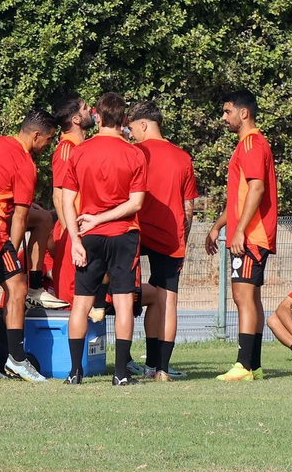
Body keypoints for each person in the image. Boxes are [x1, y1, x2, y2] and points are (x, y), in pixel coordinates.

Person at [0, 109, 58, 381]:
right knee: (17, 288)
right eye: (49, 140)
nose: (47, 146)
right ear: (37, 135)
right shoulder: (25, 162)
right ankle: (17, 359)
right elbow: (18, 215)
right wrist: (11, 248)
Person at [61, 93, 147, 385]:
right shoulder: (135, 153)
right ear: (124, 119)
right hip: (123, 235)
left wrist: (75, 238)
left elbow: (67, 200)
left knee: (81, 303)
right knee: (123, 304)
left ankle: (75, 372)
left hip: (89, 235)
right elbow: (136, 203)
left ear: (96, 116)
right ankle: (121, 374)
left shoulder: (79, 151)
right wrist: (103, 219)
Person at [204, 90, 278, 382]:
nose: (224, 117)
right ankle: (254, 365)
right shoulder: (247, 144)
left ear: (243, 113)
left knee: (242, 296)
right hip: (250, 232)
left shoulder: (251, 144)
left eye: (227, 111)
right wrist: (219, 224)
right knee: (250, 297)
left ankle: (243, 366)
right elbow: (241, 196)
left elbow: (257, 189)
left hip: (252, 235)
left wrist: (239, 231)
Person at [128, 100, 197, 381]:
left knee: (124, 294)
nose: (131, 133)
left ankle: (132, 361)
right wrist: (183, 237)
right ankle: (162, 368)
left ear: (143, 124)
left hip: (134, 232)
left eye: (132, 128)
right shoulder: (182, 157)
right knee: (167, 300)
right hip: (170, 237)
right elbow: (189, 207)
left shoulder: (134, 154)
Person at [45, 93, 91, 307]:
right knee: (73, 297)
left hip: (84, 229)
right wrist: (71, 236)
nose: (90, 110)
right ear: (76, 119)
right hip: (73, 232)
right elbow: (59, 195)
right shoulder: (66, 149)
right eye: (85, 108)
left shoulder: (83, 147)